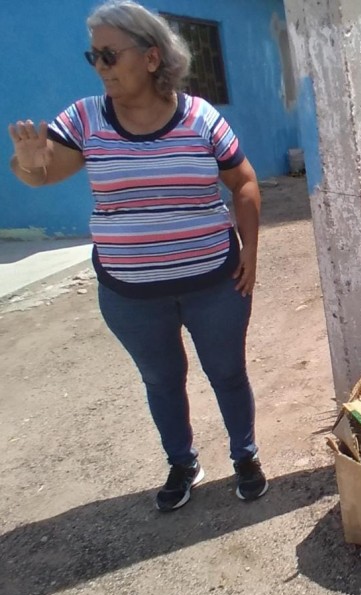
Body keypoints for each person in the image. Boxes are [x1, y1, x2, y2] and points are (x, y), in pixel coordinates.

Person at [7, 0, 268, 512]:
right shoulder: (84, 119)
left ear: (151, 58)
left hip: (214, 284)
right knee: (161, 380)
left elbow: (244, 182)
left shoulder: (200, 118)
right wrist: (28, 165)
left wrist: (251, 253)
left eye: (110, 54)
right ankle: (182, 461)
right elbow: (43, 171)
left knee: (228, 373)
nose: (100, 67)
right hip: (131, 296)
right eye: (94, 57)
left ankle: (246, 455)